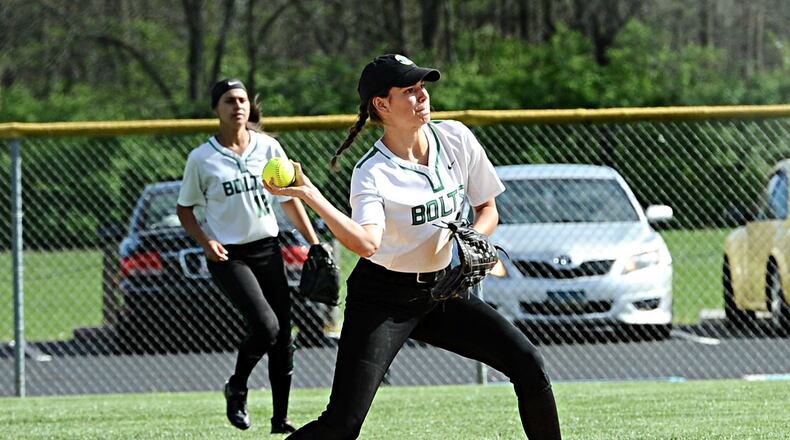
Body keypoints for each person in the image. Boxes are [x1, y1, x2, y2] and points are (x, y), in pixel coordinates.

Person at [264, 55, 562, 439]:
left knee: (528, 363)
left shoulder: (455, 137)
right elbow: (367, 243)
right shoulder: (373, 171)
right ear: (381, 104)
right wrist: (310, 194)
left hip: (443, 291)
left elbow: (487, 208)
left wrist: (475, 237)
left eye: (422, 87)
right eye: (408, 90)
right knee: (342, 424)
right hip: (382, 300)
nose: (421, 96)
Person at [176, 78, 320, 434]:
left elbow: (288, 200)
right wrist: (206, 242)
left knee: (284, 334)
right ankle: (237, 386)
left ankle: (280, 419)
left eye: (241, 99)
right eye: (228, 100)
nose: (238, 106)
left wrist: (315, 243)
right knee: (265, 325)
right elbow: (185, 210)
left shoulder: (269, 148)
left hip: (267, 248)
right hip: (229, 255)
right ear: (216, 109)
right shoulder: (202, 158)